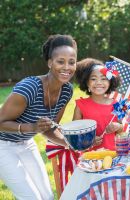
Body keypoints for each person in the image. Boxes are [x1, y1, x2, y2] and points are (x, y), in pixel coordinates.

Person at [0, 34, 77, 200]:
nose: (67, 67)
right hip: (2, 145)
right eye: (60, 61)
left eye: (71, 62)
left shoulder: (67, 90)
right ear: (50, 63)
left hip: (26, 143)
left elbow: (49, 129)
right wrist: (32, 127)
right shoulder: (29, 87)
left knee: (47, 197)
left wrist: (71, 144)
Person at [73, 58, 123, 150]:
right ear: (87, 82)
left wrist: (117, 126)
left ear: (110, 82)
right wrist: (89, 140)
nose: (99, 82)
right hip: (89, 157)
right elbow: (74, 133)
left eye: (103, 79)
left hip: (112, 154)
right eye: (93, 79)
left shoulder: (116, 105)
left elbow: (121, 129)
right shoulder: (81, 105)